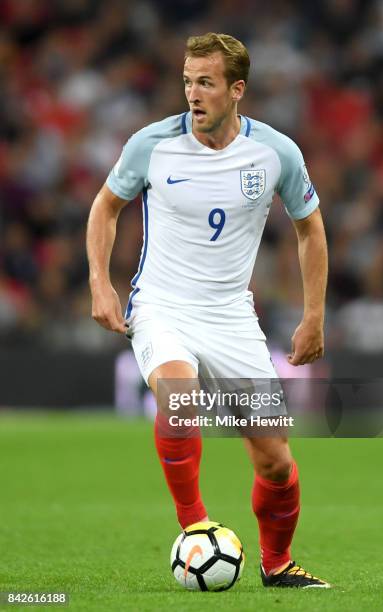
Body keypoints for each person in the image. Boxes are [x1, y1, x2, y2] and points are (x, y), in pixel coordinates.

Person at [86, 33, 329, 589]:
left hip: (231, 316)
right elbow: (106, 207)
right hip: (162, 306)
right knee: (180, 401)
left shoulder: (275, 153)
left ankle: (278, 564)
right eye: (188, 81)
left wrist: (313, 313)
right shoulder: (152, 144)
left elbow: (309, 229)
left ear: (236, 90)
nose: (193, 94)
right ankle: (195, 527)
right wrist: (100, 283)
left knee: (276, 462)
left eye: (206, 83)